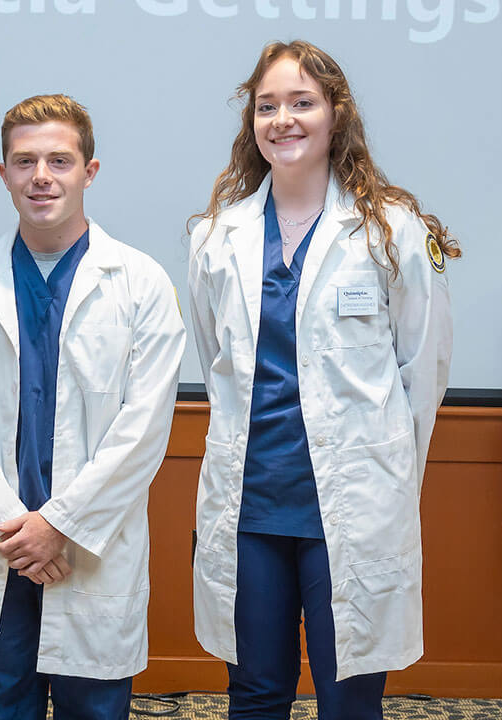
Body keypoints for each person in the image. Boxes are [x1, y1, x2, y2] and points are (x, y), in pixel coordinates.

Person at [187, 40, 456, 720]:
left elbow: (423, 374)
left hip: (355, 507)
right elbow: (217, 363)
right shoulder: (217, 236)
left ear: (337, 115)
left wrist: (390, 482)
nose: (284, 119)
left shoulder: (393, 230)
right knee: (253, 695)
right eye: (267, 106)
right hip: (249, 509)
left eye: (302, 103)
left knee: (349, 701)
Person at [0, 94, 185, 720]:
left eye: (59, 161)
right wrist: (20, 529)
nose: (41, 176)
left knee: (92, 707)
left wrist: (59, 524)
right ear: (4, 173)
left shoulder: (141, 283)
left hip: (86, 545)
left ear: (89, 172)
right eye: (25, 161)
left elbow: (143, 429)